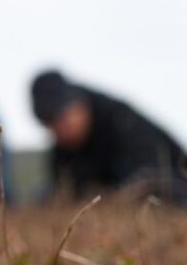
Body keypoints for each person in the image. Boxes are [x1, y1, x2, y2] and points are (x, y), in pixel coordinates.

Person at [31, 69, 187, 203]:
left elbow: (151, 177)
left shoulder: (122, 121)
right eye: (50, 124)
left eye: (62, 119)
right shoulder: (64, 149)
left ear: (78, 104)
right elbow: (63, 193)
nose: (60, 130)